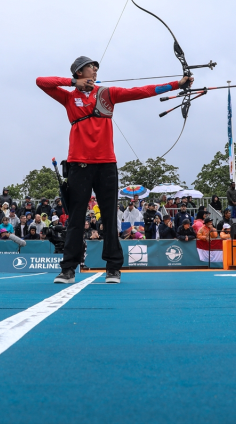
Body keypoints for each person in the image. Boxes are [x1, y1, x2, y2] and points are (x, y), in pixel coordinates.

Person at [37, 56, 193, 284]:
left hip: (106, 164)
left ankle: (113, 268)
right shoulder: (69, 96)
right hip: (78, 164)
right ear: (80, 72)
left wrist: (177, 84)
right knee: (76, 218)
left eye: (97, 67)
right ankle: (68, 269)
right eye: (91, 67)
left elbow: (142, 91)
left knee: (110, 217)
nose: (96, 70)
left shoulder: (106, 94)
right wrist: (72, 83)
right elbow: (41, 81)